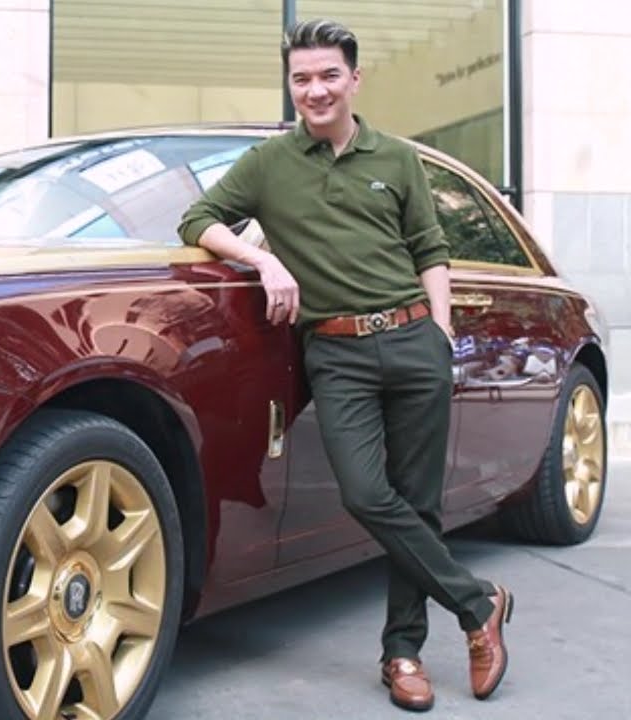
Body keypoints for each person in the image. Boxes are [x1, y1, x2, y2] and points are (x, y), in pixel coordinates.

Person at [177, 19, 512, 713]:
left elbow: (429, 249)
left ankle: (402, 653)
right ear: (291, 85)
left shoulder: (397, 158)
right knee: (365, 493)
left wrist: (441, 331)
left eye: (329, 75)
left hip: (414, 341)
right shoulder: (270, 164)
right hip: (336, 352)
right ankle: (479, 604)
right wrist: (263, 260)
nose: (315, 90)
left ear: (354, 80)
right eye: (302, 78)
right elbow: (197, 219)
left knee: (418, 504)